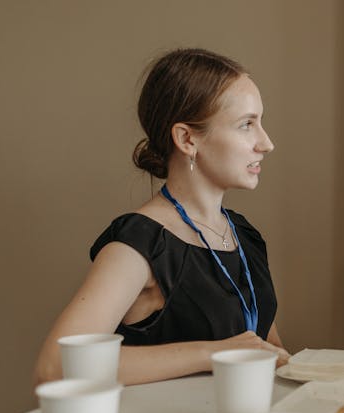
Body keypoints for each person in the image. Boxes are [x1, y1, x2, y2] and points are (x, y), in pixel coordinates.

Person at [34, 48, 288, 386]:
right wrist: (213, 354)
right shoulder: (141, 243)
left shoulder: (244, 235)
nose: (266, 143)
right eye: (246, 125)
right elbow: (55, 367)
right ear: (187, 139)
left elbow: (270, 352)